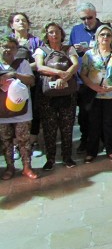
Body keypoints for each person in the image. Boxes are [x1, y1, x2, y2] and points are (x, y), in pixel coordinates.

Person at [69, 2, 112, 153]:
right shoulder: (76, 30)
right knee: (85, 114)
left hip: (104, 80)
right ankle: (86, 141)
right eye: (83, 18)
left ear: (95, 14)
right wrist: (75, 51)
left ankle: (105, 143)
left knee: (105, 117)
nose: (86, 21)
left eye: (89, 17)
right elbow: (70, 50)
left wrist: (89, 49)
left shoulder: (105, 29)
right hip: (84, 80)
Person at [34, 23, 79, 170]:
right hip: (48, 96)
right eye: (51, 32)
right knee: (49, 128)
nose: (54, 35)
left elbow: (75, 65)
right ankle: (50, 159)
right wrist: (60, 73)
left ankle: (67, 157)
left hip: (67, 93)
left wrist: (65, 78)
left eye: (57, 32)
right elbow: (40, 67)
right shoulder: (41, 50)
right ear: (46, 35)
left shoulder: (68, 49)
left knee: (67, 126)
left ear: (61, 33)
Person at [80, 25, 112, 163]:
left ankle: (111, 150)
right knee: (94, 123)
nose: (105, 37)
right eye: (102, 35)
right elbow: (83, 74)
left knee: (108, 123)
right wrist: (93, 86)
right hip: (94, 94)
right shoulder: (89, 55)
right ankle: (91, 152)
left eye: (108, 35)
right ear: (97, 37)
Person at [0, 36, 37, 180]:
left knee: (24, 140)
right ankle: (10, 167)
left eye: (12, 47)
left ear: (16, 50)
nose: (8, 50)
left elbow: (31, 81)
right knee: (6, 140)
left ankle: (27, 167)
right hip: (2, 111)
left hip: (22, 110)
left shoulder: (23, 63)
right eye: (5, 46)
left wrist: (14, 75)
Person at [8, 12, 44, 158]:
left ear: (28, 24)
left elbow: (41, 60)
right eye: (17, 20)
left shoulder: (36, 41)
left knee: (34, 111)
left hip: (32, 80)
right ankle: (16, 145)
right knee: (13, 110)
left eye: (24, 20)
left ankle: (33, 142)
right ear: (12, 25)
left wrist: (24, 68)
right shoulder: (7, 41)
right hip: (11, 82)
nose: (21, 23)